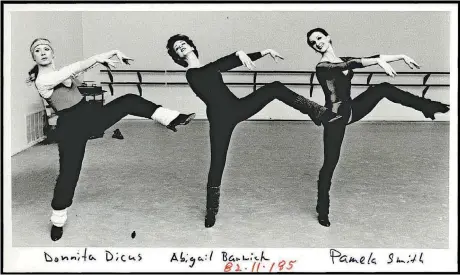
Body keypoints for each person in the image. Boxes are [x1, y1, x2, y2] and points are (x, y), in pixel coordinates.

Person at [166, 34, 342, 228]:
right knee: (217, 163)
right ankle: (211, 210)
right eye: (177, 48)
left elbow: (225, 64)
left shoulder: (207, 67)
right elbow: (218, 66)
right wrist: (237, 54)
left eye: (183, 43)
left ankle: (319, 113)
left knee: (274, 88)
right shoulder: (191, 73)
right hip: (219, 119)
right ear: (178, 57)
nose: (181, 47)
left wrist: (263, 52)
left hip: (237, 107)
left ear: (191, 45)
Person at [27, 38, 195, 241]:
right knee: (69, 175)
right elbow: (73, 69)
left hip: (90, 117)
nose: (43, 52)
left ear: (53, 54)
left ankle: (171, 118)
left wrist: (84, 74)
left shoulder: (61, 74)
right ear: (34, 57)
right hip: (70, 128)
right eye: (38, 50)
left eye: (46, 49)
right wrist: (101, 56)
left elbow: (73, 79)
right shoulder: (41, 81)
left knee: (129, 100)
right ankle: (58, 220)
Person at [306, 28, 450, 227]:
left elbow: (369, 58)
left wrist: (400, 56)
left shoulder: (342, 58)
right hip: (334, 118)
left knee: (382, 88)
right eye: (313, 43)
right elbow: (350, 64)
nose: (318, 43)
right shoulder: (322, 66)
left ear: (328, 37)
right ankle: (322, 209)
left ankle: (428, 108)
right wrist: (379, 62)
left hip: (351, 110)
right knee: (329, 165)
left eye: (319, 38)